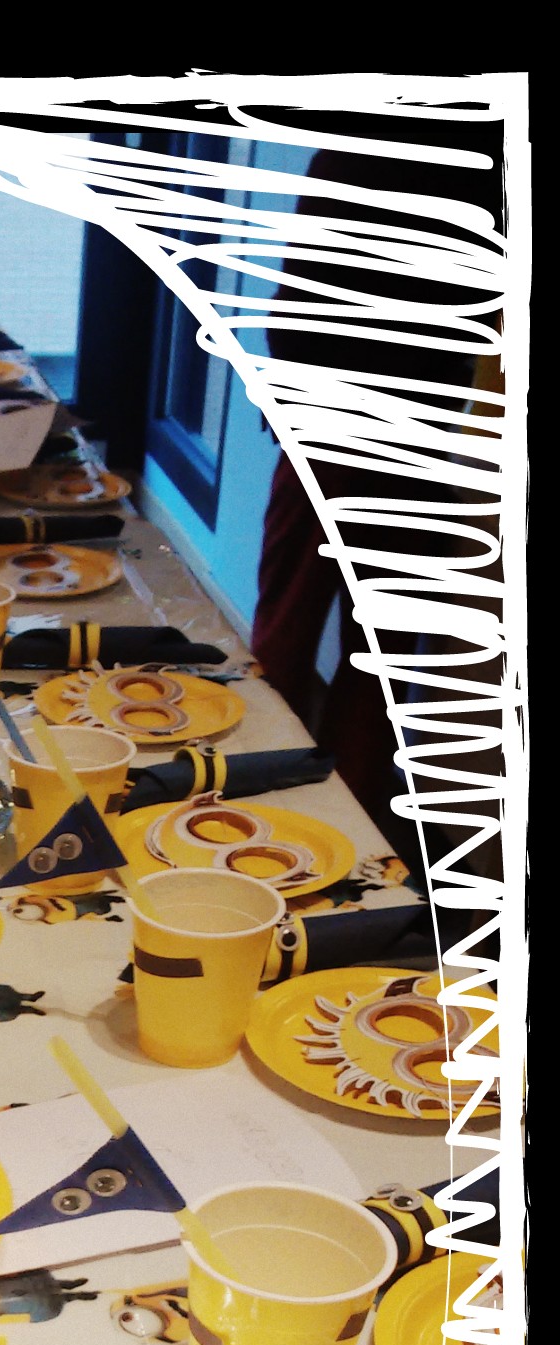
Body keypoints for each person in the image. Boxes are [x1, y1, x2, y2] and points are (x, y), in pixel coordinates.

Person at [250, 110, 505, 871]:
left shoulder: (382, 121)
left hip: (355, 411)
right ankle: (336, 843)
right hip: (401, 414)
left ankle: (264, 816)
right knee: (367, 654)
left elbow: (307, 274)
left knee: (301, 633)